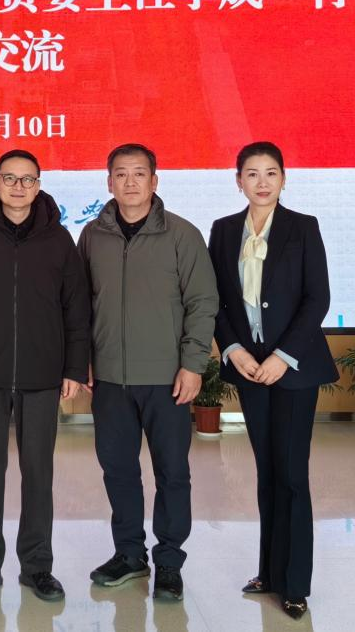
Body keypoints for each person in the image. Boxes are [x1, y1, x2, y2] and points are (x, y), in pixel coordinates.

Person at [0, 149, 90, 605]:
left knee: (38, 473)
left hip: (43, 373)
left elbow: (76, 309)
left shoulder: (59, 240)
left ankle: (37, 567)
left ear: (39, 185)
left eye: (28, 179)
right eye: (10, 178)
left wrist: (74, 367)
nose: (19, 187)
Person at [77, 143, 218, 601]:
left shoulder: (182, 234)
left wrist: (193, 365)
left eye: (140, 173)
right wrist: (83, 358)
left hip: (166, 378)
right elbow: (78, 304)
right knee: (118, 470)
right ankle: (129, 554)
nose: (131, 182)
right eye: (121, 174)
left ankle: (170, 561)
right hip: (110, 379)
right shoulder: (92, 236)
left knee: (172, 472)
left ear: (155, 181)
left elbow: (202, 303)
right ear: (109, 182)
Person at [209, 141, 338, 621]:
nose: (261, 182)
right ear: (238, 180)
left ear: (284, 179)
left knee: (292, 475)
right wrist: (233, 349)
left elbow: (317, 299)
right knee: (267, 472)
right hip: (248, 368)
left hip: (293, 369)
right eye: (252, 173)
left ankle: (295, 583)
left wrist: (284, 357)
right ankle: (268, 571)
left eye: (271, 173)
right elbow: (215, 300)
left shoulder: (303, 227)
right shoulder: (224, 231)